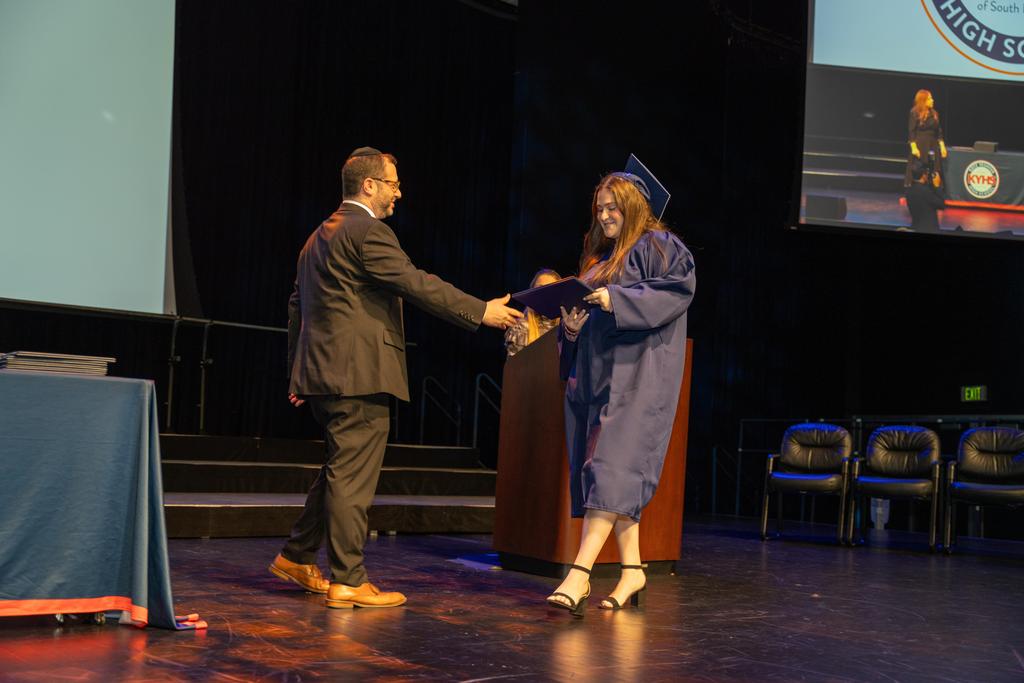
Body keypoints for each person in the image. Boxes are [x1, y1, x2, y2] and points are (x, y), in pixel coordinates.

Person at [269, 146, 522, 609]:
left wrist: (297, 372)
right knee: (351, 476)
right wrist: (480, 310)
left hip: (322, 375)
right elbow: (416, 283)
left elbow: (295, 307)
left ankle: (296, 556)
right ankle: (349, 579)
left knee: (340, 469)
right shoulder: (368, 231)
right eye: (392, 184)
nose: (399, 193)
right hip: (358, 375)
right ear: (369, 186)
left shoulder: (316, 238)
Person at [546, 165, 695, 617]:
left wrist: (617, 299)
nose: (605, 216)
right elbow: (584, 320)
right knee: (609, 473)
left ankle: (579, 574)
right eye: (600, 209)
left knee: (611, 467)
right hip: (597, 380)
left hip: (639, 379)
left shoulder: (660, 247)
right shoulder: (601, 261)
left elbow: (676, 292)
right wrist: (571, 330)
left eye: (613, 208)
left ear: (633, 207)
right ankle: (632, 570)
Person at [504, 268, 561, 358]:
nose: (544, 293)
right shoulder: (520, 328)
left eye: (550, 289)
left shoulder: (565, 328)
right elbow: (515, 366)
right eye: (540, 288)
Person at [904, 89, 947, 188]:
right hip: (920, 145)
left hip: (933, 145)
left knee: (935, 170)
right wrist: (914, 147)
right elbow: (911, 131)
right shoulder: (915, 112)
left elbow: (939, 132)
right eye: (930, 98)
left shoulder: (934, 114)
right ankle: (917, 190)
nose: (932, 100)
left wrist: (942, 146)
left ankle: (935, 191)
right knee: (920, 170)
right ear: (923, 100)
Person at [905, 158, 944, 232]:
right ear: (923, 175)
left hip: (916, 227)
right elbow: (941, 205)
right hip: (929, 230)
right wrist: (937, 186)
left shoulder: (909, 190)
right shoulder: (926, 191)